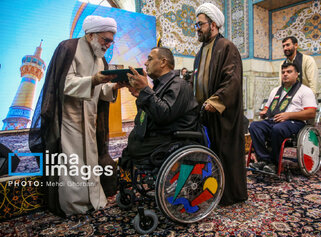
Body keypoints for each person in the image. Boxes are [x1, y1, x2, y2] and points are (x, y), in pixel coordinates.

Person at [29, 15, 122, 216]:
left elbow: (100, 90)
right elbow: (63, 83)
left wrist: (114, 86)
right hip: (68, 119)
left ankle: (93, 199)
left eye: (110, 41)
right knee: (73, 163)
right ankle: (74, 205)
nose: (108, 44)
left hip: (90, 119)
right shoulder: (69, 48)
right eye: (105, 39)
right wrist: (94, 80)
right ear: (90, 35)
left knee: (91, 158)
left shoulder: (101, 58)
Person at [192, 3, 247, 205]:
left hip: (222, 114)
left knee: (225, 153)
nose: (197, 28)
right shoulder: (200, 52)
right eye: (196, 25)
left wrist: (215, 102)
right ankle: (210, 190)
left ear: (213, 24)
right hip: (204, 113)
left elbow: (232, 80)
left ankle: (229, 195)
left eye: (201, 24)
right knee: (208, 153)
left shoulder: (227, 47)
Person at [120, 47, 198, 169]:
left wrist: (145, 90)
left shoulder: (178, 84)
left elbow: (164, 115)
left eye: (150, 59)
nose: (146, 63)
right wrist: (140, 94)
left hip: (173, 138)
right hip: (161, 134)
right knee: (132, 146)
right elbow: (144, 118)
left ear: (163, 62)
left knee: (135, 148)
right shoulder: (161, 85)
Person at [249, 63, 317, 174]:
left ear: (296, 74)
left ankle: (274, 163)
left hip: (295, 122)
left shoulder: (305, 91)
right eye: (283, 72)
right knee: (254, 126)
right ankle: (264, 160)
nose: (285, 74)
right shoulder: (275, 91)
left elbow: (311, 113)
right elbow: (267, 109)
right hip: (274, 120)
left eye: (289, 72)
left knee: (278, 129)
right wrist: (264, 113)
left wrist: (288, 115)